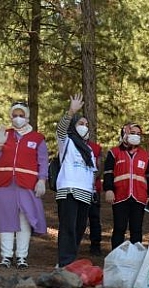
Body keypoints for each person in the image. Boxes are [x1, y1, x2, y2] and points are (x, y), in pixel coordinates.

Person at [0, 101, 48, 269]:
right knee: (6, 219)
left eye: (21, 115)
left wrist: (42, 180)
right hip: (4, 183)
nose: (18, 118)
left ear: (27, 117)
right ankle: (6, 256)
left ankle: (22, 256)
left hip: (27, 183)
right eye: (14, 115)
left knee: (25, 219)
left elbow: (43, 161)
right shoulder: (4, 134)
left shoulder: (37, 138)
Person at [54, 94, 97, 267]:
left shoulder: (89, 150)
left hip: (85, 193)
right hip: (69, 190)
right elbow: (60, 130)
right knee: (68, 228)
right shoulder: (67, 142)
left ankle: (70, 261)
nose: (84, 127)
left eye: (86, 125)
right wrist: (71, 112)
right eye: (81, 123)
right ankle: (64, 263)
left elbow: (91, 172)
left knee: (79, 229)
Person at [103, 123, 149, 249]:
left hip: (139, 197)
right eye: (133, 133)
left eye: (139, 134)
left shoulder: (145, 155)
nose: (136, 136)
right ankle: (116, 257)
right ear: (125, 134)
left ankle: (136, 258)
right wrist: (109, 189)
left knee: (136, 229)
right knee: (119, 227)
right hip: (120, 195)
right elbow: (108, 172)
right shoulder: (114, 152)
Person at [86, 139, 103, 256]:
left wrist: (91, 179)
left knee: (94, 218)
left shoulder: (96, 148)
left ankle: (95, 245)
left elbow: (100, 167)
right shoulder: (70, 144)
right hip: (76, 188)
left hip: (93, 188)